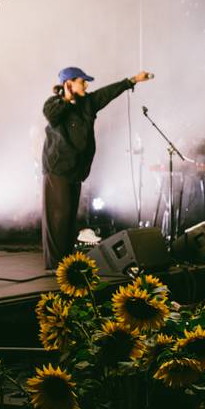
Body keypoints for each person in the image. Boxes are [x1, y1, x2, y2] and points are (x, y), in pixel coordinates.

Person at [41, 66, 153, 269]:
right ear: (69, 83)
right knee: (59, 217)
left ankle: (66, 263)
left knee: (69, 218)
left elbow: (107, 93)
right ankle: (54, 265)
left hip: (76, 170)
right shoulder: (54, 104)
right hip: (57, 170)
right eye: (81, 81)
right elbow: (52, 116)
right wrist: (66, 99)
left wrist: (132, 81)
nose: (86, 84)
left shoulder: (87, 103)